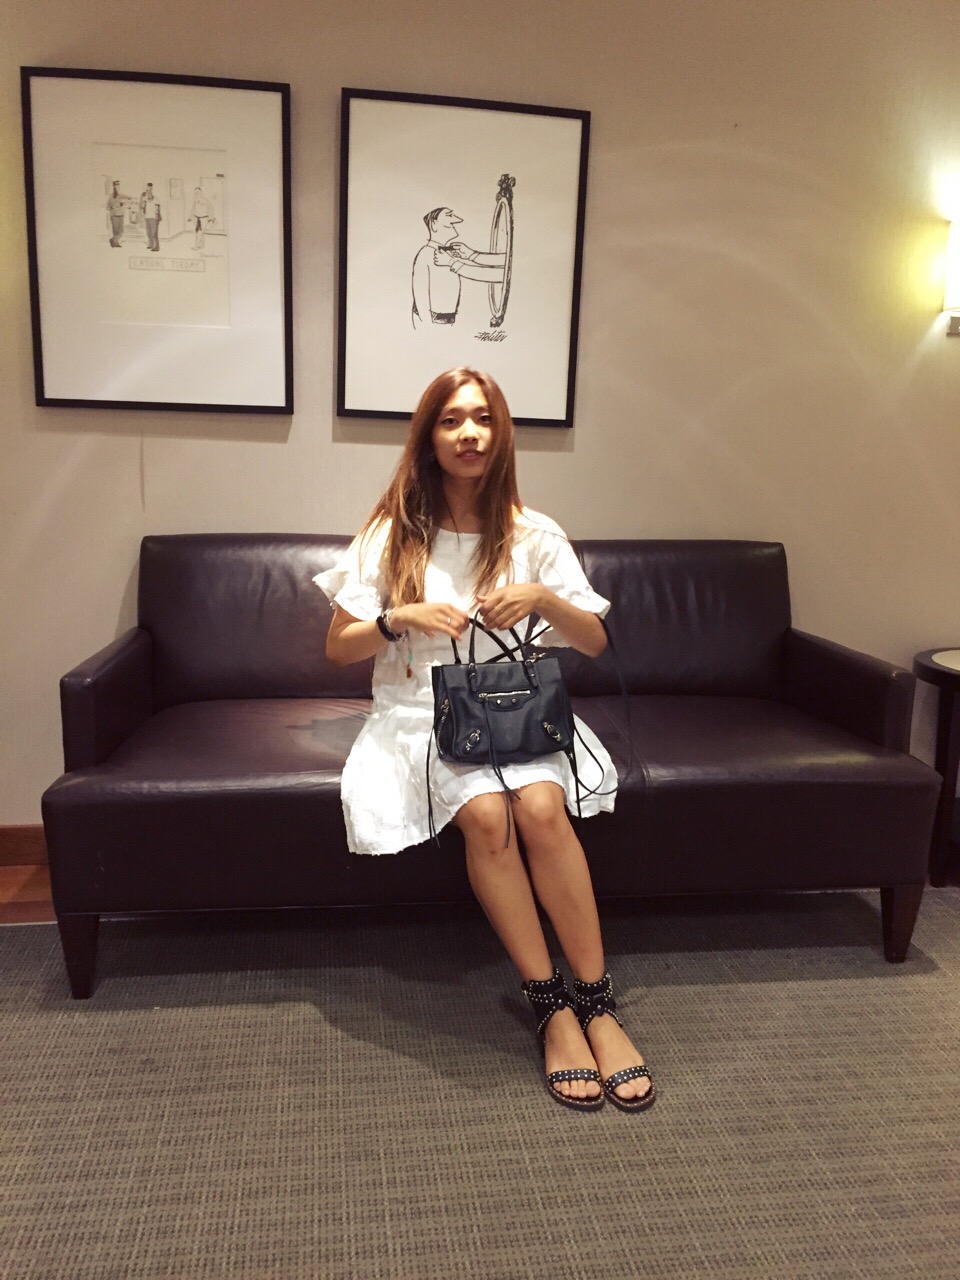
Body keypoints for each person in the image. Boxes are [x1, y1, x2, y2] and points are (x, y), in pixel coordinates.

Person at [315, 367, 655, 1113]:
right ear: (428, 437)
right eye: (451, 420)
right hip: (420, 712)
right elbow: (338, 647)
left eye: (483, 418)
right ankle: (551, 1006)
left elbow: (594, 642)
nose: (469, 433)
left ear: (501, 434)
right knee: (488, 813)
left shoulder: (534, 533)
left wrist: (542, 598)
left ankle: (596, 1002)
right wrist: (397, 619)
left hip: (513, 708)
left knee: (541, 808)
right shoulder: (393, 534)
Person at [139, 183, 161, 252]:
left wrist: (156, 217)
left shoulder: (156, 199)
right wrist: (141, 198)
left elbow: (157, 209)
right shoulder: (145, 200)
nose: (148, 192)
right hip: (147, 217)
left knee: (154, 233)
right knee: (148, 233)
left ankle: (156, 247)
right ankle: (151, 244)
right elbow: (141, 208)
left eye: (149, 190)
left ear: (152, 190)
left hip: (154, 218)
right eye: (147, 191)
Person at [106, 180, 124, 247]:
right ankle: (115, 243)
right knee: (116, 231)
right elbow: (108, 207)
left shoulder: (121, 195)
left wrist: (122, 204)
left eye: (118, 185)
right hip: (114, 215)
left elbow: (127, 199)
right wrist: (113, 208)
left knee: (121, 232)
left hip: (121, 215)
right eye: (116, 185)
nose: (118, 186)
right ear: (114, 186)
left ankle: (112, 240)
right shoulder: (111, 196)